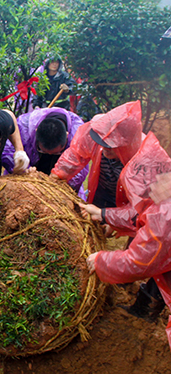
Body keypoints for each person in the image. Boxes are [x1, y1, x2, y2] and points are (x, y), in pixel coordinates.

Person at [84, 133, 171, 340]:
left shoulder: (164, 215)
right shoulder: (162, 194)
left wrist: (101, 260)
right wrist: (103, 214)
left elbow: (138, 262)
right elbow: (138, 213)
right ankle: (146, 308)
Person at [51, 100, 144, 213]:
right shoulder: (99, 130)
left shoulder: (142, 160)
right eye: (103, 142)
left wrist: (112, 219)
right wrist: (56, 176)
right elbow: (75, 156)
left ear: (126, 145)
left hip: (126, 203)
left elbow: (140, 205)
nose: (105, 148)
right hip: (101, 191)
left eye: (111, 145)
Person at [1, 107, 88, 195]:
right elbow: (8, 150)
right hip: (29, 175)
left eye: (56, 153)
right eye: (43, 151)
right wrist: (24, 170)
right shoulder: (24, 126)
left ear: (67, 136)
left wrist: (61, 183)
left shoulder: (79, 133)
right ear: (36, 133)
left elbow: (81, 169)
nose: (49, 154)